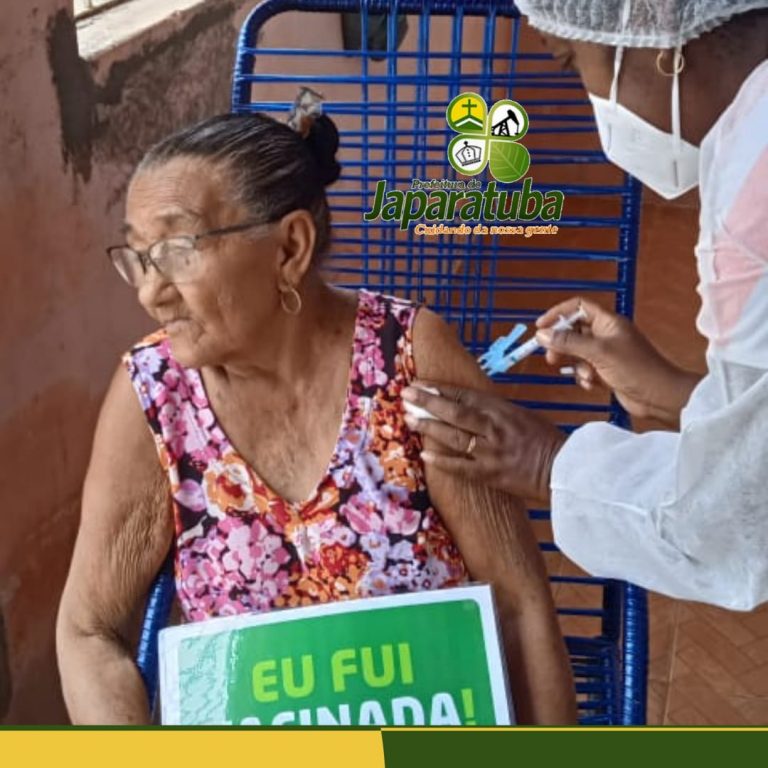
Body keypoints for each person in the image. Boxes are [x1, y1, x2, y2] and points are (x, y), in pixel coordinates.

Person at [56, 110, 575, 725]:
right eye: (141, 257)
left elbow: (517, 605)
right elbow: (88, 631)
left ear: (289, 248)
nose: (151, 292)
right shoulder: (154, 394)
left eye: (179, 251)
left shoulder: (406, 358)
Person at [403, 0, 768, 611]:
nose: (592, 99)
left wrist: (549, 465)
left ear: (657, 31)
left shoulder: (753, 192)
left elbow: (730, 523)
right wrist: (670, 392)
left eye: (573, 63)